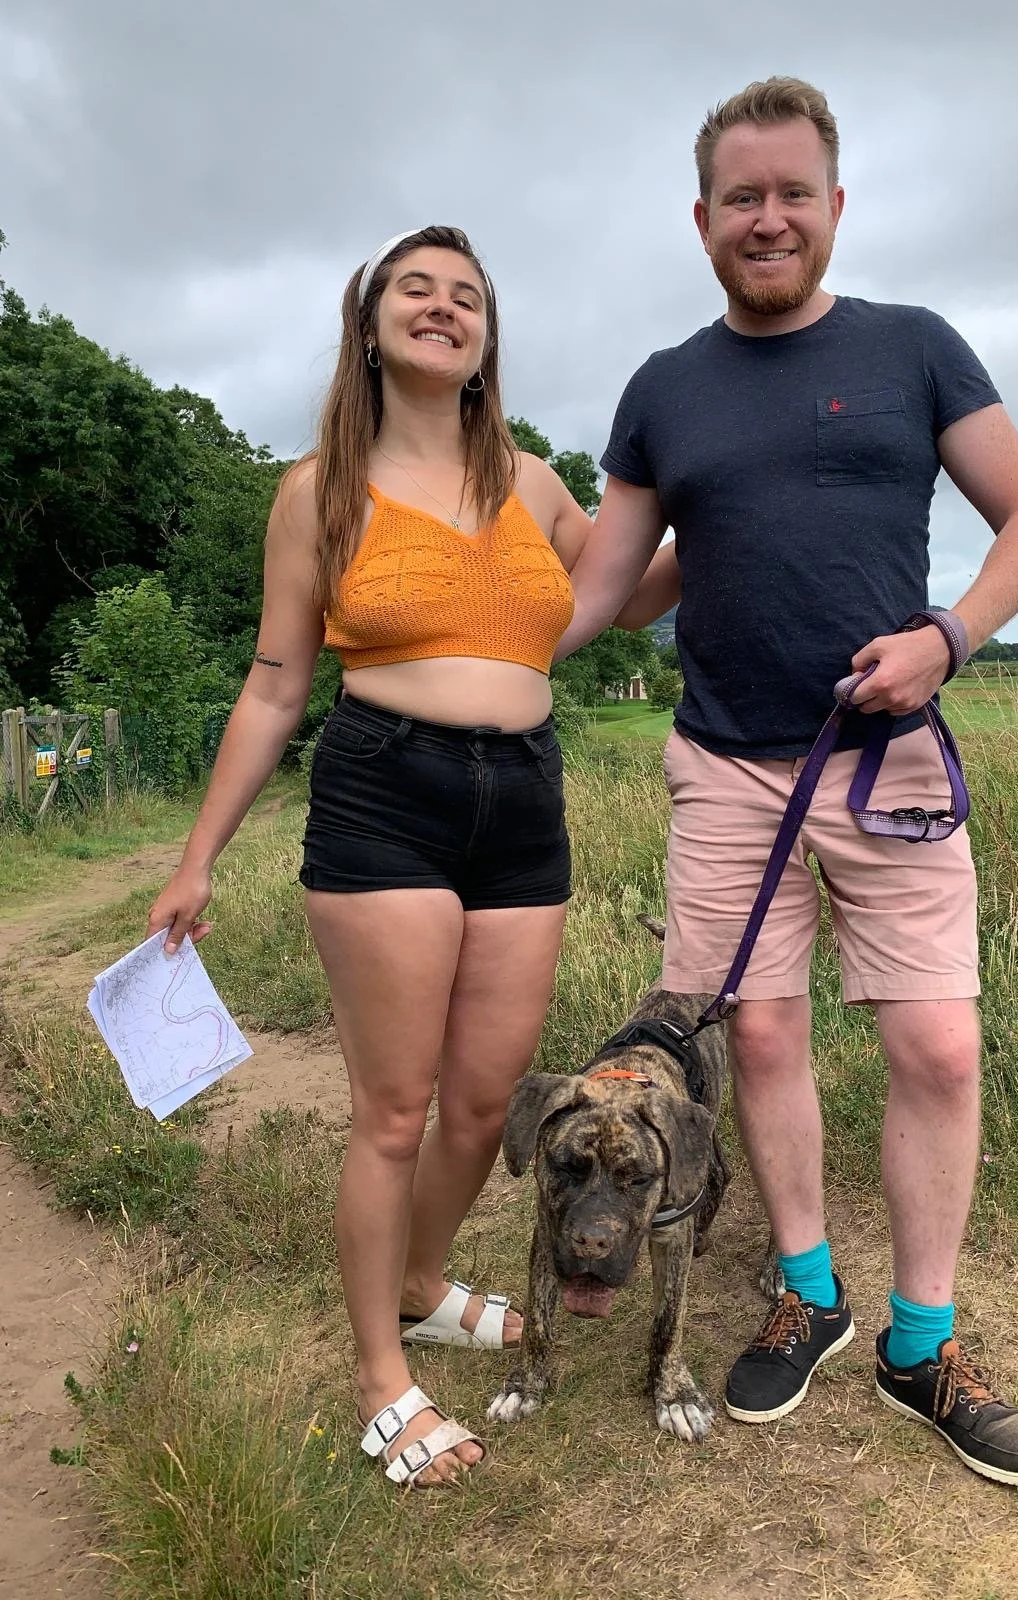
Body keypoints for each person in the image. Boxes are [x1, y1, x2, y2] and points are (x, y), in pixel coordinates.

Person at [557, 79, 1018, 1488]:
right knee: (762, 1042)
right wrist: (439, 648)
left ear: (834, 208)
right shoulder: (664, 388)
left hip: (887, 760)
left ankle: (924, 1341)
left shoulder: (915, 350)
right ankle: (806, 1291)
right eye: (742, 198)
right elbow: (602, 586)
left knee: (939, 1050)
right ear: (704, 220)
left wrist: (948, 636)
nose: (767, 217)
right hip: (727, 768)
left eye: (793, 193)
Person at [147, 224, 656, 1490]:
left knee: (488, 1103)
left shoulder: (534, 483)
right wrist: (197, 854)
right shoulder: (318, 488)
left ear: (486, 340)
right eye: (414, 290)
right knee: (393, 1107)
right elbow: (275, 684)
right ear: (368, 325)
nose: (443, 307)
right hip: (386, 793)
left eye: (466, 296)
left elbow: (633, 592)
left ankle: (427, 1282)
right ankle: (385, 1372)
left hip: (525, 802)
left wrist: (733, 487)